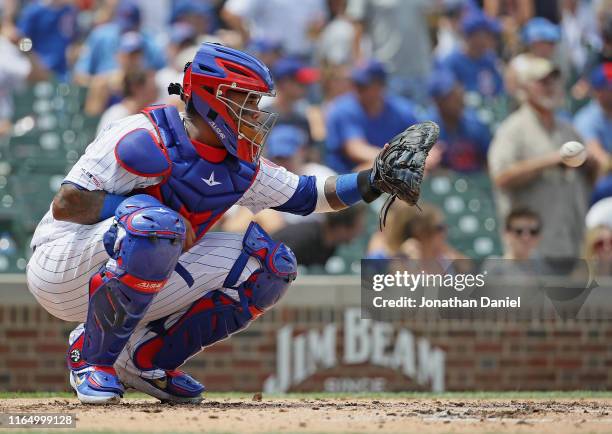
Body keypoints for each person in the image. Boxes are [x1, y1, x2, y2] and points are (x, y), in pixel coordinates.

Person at [26, 42, 428, 405]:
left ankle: (144, 360)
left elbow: (311, 195)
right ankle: (92, 359)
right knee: (157, 226)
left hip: (135, 259)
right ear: (212, 97)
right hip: (62, 263)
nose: (255, 113)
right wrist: (139, 208)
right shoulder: (140, 133)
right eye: (247, 101)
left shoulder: (241, 166)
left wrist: (372, 181)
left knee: (271, 266)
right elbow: (68, 203)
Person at [488, 56, 597, 258]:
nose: (550, 87)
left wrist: (591, 164)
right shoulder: (513, 130)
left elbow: (591, 177)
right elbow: (501, 177)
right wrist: (551, 161)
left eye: (554, 80)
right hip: (531, 248)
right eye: (542, 82)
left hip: (571, 242)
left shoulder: (568, 130)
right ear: (524, 88)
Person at [325, 60, 418, 173]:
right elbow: (356, 149)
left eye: (362, 86)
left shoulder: (401, 110)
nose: (356, 89)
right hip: (344, 179)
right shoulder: (343, 109)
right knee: (371, 168)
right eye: (355, 84)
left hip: (392, 169)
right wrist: (401, 160)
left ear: (381, 86)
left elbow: (420, 142)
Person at [73, 1, 165, 85]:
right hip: (106, 96)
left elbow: (164, 76)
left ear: (139, 24)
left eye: (130, 28)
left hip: (140, 94)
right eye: (124, 28)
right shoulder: (100, 36)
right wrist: (105, 82)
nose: (126, 32)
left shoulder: (150, 42)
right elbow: (79, 76)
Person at [427, 69, 491, 173]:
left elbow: (488, 163)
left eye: (458, 92)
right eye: (451, 97)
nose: (459, 99)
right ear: (438, 102)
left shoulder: (476, 124)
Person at [437, 10, 505, 100]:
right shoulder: (451, 62)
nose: (491, 40)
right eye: (487, 35)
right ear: (473, 36)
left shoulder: (490, 59)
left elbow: (499, 90)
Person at [272, 204, 366, 267]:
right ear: (341, 228)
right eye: (358, 227)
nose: (360, 232)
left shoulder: (331, 245)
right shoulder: (303, 238)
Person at [16, 0, 77, 81]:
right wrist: (33, 60)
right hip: (38, 70)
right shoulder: (34, 11)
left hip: (63, 71)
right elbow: (22, 40)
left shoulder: (69, 11)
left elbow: (73, 38)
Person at [574, 63, 612, 172]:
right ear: (598, 91)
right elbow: (600, 159)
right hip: (599, 182)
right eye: (610, 89)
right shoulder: (586, 119)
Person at [96, 70, 159, 135]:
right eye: (151, 85)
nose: (156, 89)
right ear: (136, 88)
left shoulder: (148, 116)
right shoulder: (116, 114)